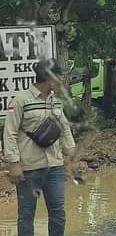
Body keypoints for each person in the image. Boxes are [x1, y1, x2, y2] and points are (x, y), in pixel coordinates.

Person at [3, 59, 76, 236]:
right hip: (29, 169)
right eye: (59, 76)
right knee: (27, 215)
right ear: (50, 78)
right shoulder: (20, 101)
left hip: (54, 167)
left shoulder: (56, 102)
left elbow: (64, 129)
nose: (61, 80)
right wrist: (14, 164)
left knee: (58, 213)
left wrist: (70, 155)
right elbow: (10, 132)